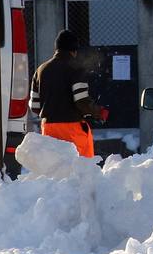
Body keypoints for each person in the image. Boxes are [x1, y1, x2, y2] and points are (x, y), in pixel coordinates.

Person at [29, 29, 108, 160]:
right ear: (73, 50)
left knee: (53, 170)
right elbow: (81, 100)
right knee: (80, 169)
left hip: (48, 129)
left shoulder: (40, 70)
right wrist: (98, 112)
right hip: (72, 129)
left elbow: (34, 105)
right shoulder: (76, 69)